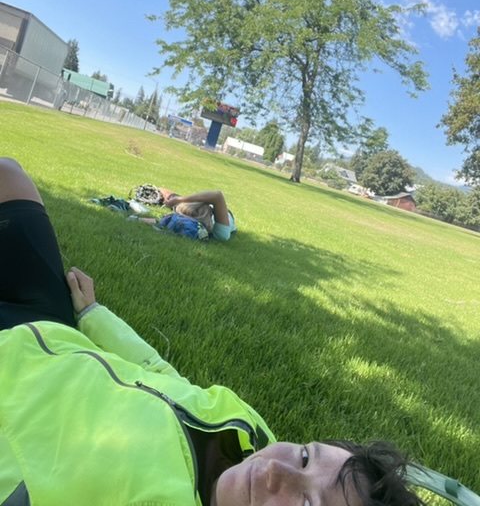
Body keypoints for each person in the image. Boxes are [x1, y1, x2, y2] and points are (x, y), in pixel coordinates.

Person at [0, 157, 424, 506]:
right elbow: (163, 374)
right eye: (305, 456)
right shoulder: (248, 431)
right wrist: (92, 313)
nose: (276, 469)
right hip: (50, 327)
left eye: (307, 504)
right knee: (9, 174)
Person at [140, 186, 237, 241]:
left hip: (200, 208)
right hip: (192, 207)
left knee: (171, 196)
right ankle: (173, 198)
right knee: (165, 193)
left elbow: (217, 196)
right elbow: (216, 196)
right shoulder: (220, 234)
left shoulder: (220, 232)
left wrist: (180, 200)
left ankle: (176, 199)